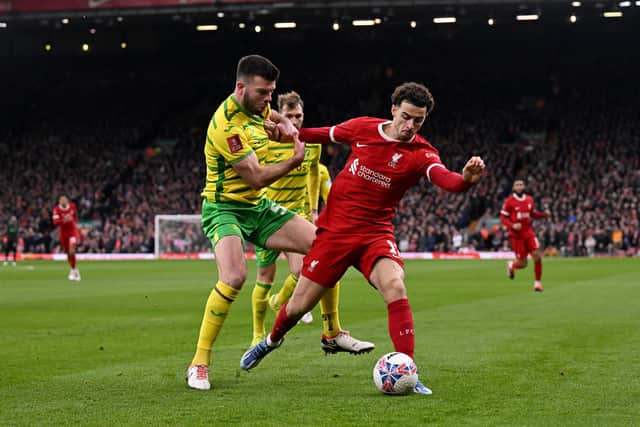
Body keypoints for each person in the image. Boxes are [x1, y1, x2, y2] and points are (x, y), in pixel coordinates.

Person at [240, 82, 486, 395]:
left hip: (375, 234)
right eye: (406, 117)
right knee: (297, 307)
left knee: (395, 284)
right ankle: (270, 342)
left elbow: (445, 179)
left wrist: (465, 181)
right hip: (335, 234)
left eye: (418, 121)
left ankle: (407, 369)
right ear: (393, 109)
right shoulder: (363, 129)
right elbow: (319, 133)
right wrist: (288, 134)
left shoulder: (422, 153)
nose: (410, 126)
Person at [187, 55, 372, 391]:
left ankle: (332, 333)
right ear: (240, 88)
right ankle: (199, 362)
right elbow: (256, 176)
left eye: (271, 93)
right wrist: (295, 158)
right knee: (234, 276)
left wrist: (284, 125)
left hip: (258, 209)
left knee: (327, 247)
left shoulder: (257, 108)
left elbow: (269, 115)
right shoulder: (227, 126)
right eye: (262, 93)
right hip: (225, 208)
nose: (268, 100)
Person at [251, 91, 370, 351]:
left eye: (299, 116)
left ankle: (326, 327)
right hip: (269, 214)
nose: (295, 120)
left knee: (314, 264)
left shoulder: (311, 143)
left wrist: (314, 208)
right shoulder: (266, 140)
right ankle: (259, 329)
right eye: (290, 115)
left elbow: (314, 173)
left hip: (298, 214)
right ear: (280, 115)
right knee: (264, 277)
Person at [500, 179, 551, 292]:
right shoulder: (509, 201)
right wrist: (512, 225)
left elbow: (532, 214)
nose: (519, 187)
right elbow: (503, 218)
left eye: (521, 185)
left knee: (537, 256)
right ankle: (512, 266)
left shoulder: (529, 200)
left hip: (528, 233)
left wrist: (544, 215)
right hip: (516, 236)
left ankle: (537, 284)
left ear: (524, 187)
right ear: (513, 188)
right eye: (517, 185)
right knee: (523, 264)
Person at [52, 195, 81, 281]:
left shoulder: (72, 206)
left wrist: (76, 224)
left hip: (72, 232)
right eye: (61, 200)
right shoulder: (56, 209)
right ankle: (74, 269)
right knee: (68, 253)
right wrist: (64, 220)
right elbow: (55, 222)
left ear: (67, 201)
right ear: (59, 202)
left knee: (72, 251)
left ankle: (73, 270)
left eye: (64, 200)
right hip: (63, 233)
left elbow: (75, 216)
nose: (63, 201)